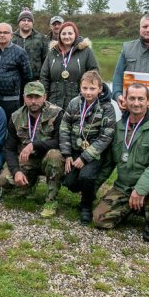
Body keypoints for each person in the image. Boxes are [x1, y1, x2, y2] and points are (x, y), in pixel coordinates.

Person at [93, 83, 149, 242]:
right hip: (124, 186)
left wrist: (140, 189)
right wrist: (91, 190)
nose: (136, 103)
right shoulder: (118, 127)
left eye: (140, 99)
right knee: (99, 219)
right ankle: (133, 207)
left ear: (148, 100)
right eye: (132, 98)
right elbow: (108, 163)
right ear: (125, 100)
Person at [59, 70, 116, 222]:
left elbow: (106, 136)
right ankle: (86, 191)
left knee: (86, 176)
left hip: (94, 154)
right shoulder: (74, 103)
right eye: (85, 88)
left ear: (100, 89)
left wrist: (85, 157)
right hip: (75, 150)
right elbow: (64, 127)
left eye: (92, 89)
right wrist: (67, 154)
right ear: (80, 87)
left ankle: (86, 206)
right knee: (70, 183)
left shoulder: (107, 108)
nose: (88, 92)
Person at [0, 81, 64, 204]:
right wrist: (16, 171)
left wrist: (34, 144)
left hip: (48, 159)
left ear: (44, 97)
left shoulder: (57, 113)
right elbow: (9, 149)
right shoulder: (15, 117)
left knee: (55, 155)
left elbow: (60, 142)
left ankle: (51, 202)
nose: (33, 101)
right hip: (27, 160)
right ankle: (29, 184)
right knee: (3, 180)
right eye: (30, 97)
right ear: (24, 98)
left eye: (37, 97)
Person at [40, 21, 99, 110]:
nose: (67, 36)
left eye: (70, 33)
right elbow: (44, 76)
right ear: (59, 36)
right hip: (53, 103)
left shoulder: (86, 51)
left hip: (78, 102)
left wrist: (87, 94)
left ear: (76, 34)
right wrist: (44, 97)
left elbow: (94, 74)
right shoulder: (52, 52)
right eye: (63, 34)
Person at [0, 23, 32, 118]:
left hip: (11, 100)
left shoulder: (20, 52)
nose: (2, 35)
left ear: (11, 35)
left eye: (5, 32)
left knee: (10, 127)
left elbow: (27, 76)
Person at [12, 8, 48, 80]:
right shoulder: (11, 38)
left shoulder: (41, 38)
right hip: (14, 80)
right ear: (19, 22)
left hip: (35, 81)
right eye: (23, 20)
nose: (26, 22)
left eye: (29, 20)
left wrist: (42, 79)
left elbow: (46, 61)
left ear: (32, 23)